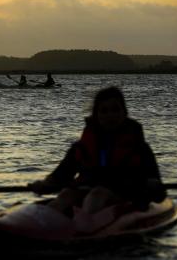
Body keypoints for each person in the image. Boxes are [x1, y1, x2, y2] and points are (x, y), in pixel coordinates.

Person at [28, 86, 167, 219]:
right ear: (96, 115)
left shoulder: (140, 148)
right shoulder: (81, 147)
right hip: (87, 191)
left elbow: (158, 192)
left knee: (97, 195)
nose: (110, 115)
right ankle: (44, 223)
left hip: (124, 194)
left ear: (124, 113)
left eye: (115, 110)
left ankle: (84, 230)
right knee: (66, 194)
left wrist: (152, 184)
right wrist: (44, 185)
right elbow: (61, 175)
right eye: (104, 111)